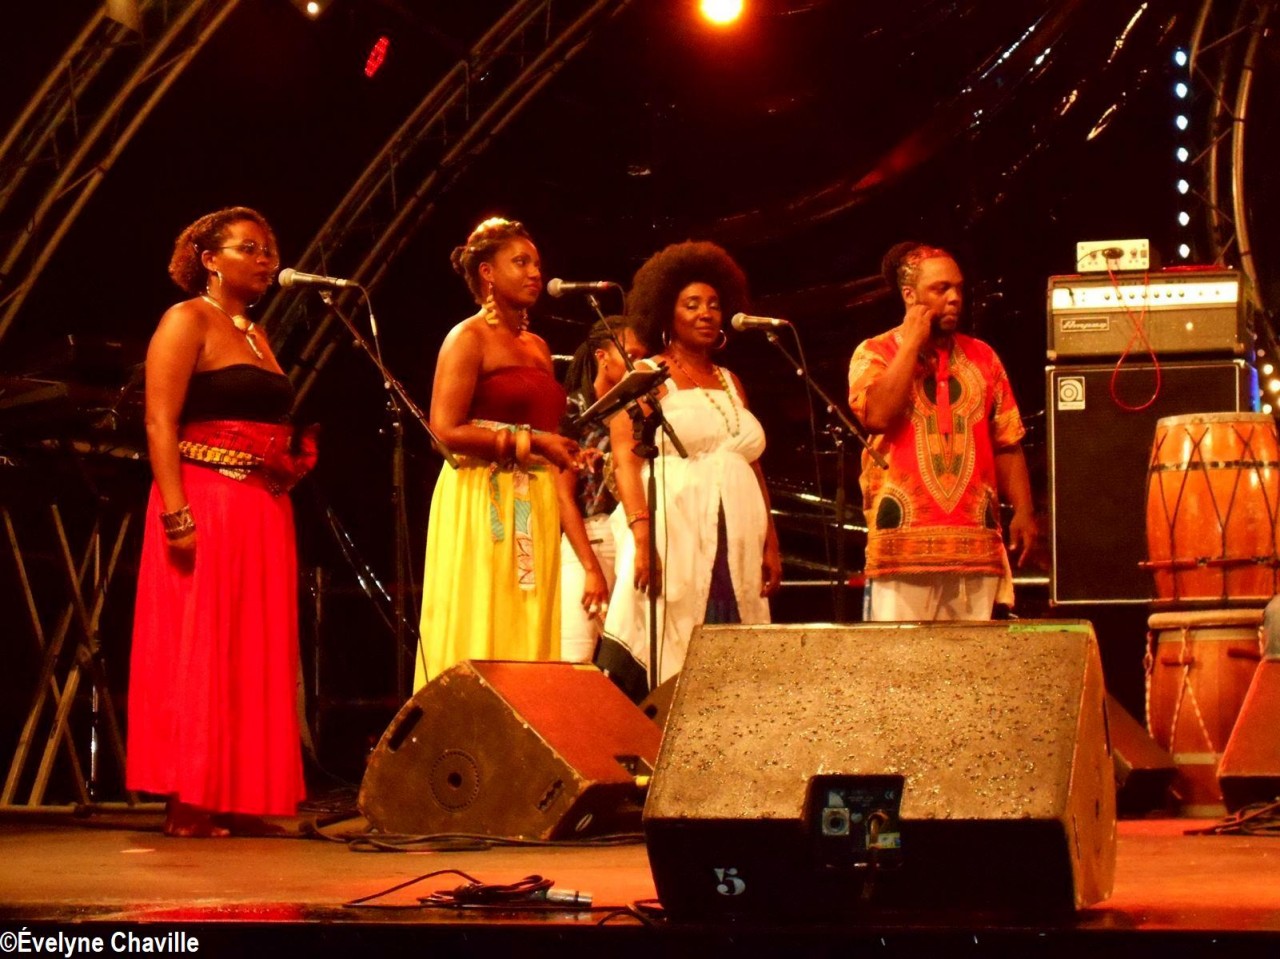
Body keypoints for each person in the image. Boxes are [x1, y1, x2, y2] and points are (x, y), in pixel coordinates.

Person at [127, 206, 314, 837]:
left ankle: (240, 794)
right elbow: (160, 421)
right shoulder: (186, 320)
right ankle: (191, 797)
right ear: (209, 259)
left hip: (261, 508)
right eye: (249, 248)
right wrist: (176, 511)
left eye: (269, 250)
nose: (265, 260)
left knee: (253, 651)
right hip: (204, 499)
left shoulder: (257, 334)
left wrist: (285, 458)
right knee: (202, 646)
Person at [599, 240, 782, 699]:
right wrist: (642, 536)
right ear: (667, 311)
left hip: (738, 527)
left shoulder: (731, 380)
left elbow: (751, 463)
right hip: (676, 524)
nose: (706, 314)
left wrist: (771, 541)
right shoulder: (649, 375)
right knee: (679, 625)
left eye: (714, 304)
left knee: (734, 626)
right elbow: (625, 458)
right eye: (692, 304)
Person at [415, 217, 582, 690]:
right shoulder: (467, 338)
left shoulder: (539, 347)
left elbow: (543, 424)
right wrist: (529, 443)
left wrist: (563, 450)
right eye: (521, 262)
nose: (534, 273)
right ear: (487, 273)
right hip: (481, 497)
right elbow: (443, 429)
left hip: (535, 499)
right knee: (482, 614)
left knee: (528, 622)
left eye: (536, 264)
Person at [847, 242, 1036, 621]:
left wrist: (1025, 511)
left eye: (959, 288)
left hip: (975, 546)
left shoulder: (984, 357)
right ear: (909, 295)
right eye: (941, 289)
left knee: (971, 656)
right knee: (898, 656)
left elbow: (1007, 440)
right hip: (901, 548)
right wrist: (912, 343)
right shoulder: (874, 352)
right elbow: (878, 416)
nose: (954, 298)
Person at [555, 317, 647, 663]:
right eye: (630, 355)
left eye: (643, 356)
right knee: (574, 656)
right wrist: (592, 570)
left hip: (633, 535)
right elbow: (563, 496)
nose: (639, 364)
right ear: (602, 356)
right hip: (590, 539)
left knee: (630, 656)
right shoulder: (573, 410)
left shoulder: (643, 409)